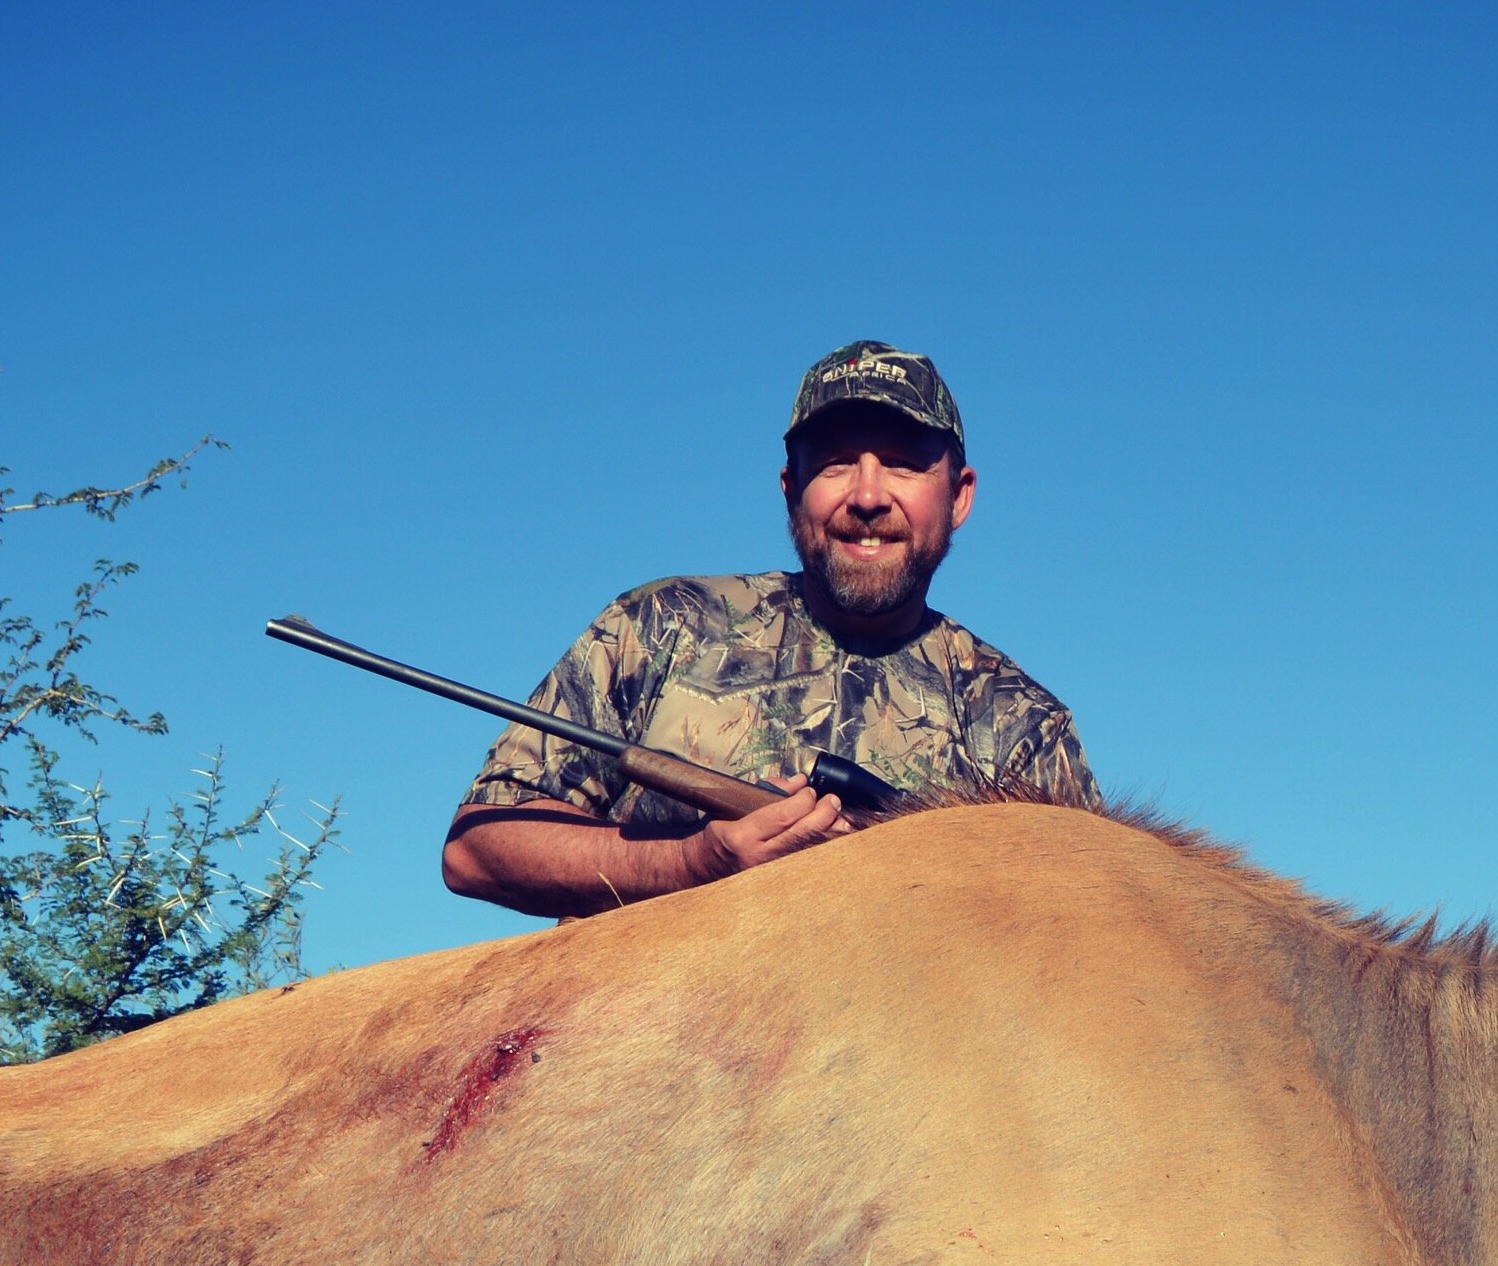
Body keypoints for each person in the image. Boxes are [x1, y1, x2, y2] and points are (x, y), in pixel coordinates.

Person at [441, 341, 1099, 917]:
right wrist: (691, 864)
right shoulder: (664, 626)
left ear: (959, 496)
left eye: (901, 462)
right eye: (836, 463)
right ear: (791, 489)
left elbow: (1090, 934)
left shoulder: (1023, 726)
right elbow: (477, 849)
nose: (867, 496)